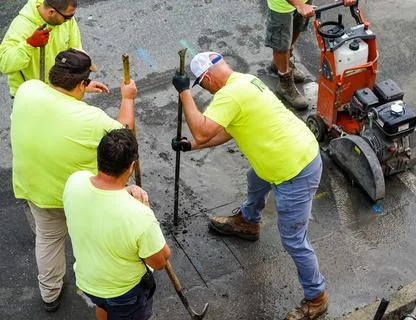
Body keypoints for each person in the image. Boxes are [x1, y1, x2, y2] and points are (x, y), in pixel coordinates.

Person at [171, 52, 327, 320]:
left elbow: (202, 129)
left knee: (294, 240)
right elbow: (229, 130)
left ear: (207, 78)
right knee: (256, 177)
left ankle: (316, 297)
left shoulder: (230, 95)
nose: (204, 90)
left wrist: (185, 93)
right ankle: (248, 221)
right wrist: (191, 146)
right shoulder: (245, 81)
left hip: (294, 170)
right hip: (288, 153)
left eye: (201, 85)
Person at [10, 48, 137, 312]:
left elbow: (53, 99)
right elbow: (124, 138)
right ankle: (98, 284)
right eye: (85, 82)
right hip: (74, 195)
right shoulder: (91, 120)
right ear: (81, 83)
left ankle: (50, 294)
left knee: (48, 239)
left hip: (32, 186)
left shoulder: (28, 90)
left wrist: (80, 90)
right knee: (92, 237)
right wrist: (128, 99)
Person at [63, 128, 170, 320]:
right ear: (130, 167)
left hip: (88, 281)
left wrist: (127, 190)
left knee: (102, 306)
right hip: (123, 292)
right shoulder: (139, 216)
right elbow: (160, 261)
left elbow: (102, 193)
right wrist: (145, 210)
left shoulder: (74, 182)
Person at [0, 0, 108, 98]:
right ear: (51, 12)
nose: (70, 20)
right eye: (67, 17)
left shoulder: (66, 20)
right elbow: (5, 64)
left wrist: (82, 84)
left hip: (58, 92)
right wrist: (30, 44)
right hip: (30, 98)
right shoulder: (21, 27)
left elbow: (74, 54)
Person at [266, 0, 357, 110]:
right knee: (281, 41)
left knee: (297, 26)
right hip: (281, 5)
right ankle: (284, 82)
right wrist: (300, 5)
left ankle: (279, 64)